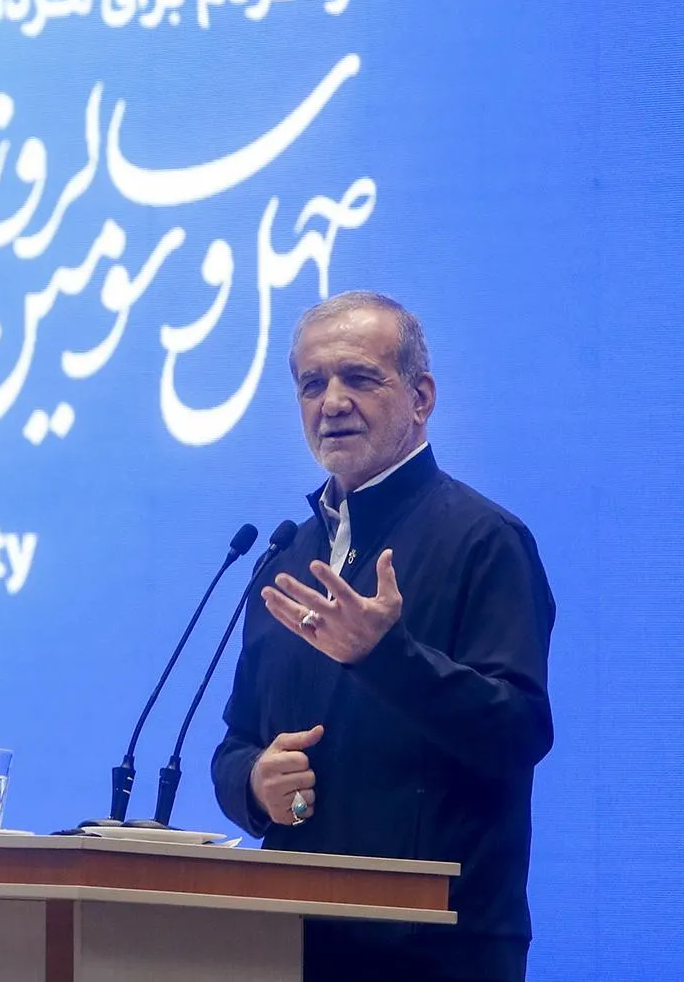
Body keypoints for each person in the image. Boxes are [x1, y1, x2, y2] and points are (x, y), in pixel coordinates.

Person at [211, 292, 555, 982]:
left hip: (439, 947)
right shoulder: (283, 558)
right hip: (290, 938)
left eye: (359, 378)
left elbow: (519, 731)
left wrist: (386, 656)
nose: (332, 402)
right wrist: (254, 782)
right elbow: (237, 743)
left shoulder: (485, 540)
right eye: (312, 384)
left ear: (420, 397)